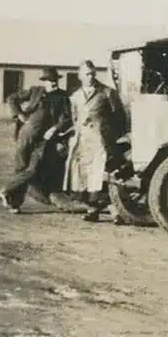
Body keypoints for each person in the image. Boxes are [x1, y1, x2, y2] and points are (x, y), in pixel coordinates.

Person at [0, 67, 72, 213]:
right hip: (26, 134)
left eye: (55, 80)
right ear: (44, 81)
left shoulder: (63, 97)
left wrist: (55, 128)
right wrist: (19, 115)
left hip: (44, 140)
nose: (53, 83)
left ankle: (5, 189)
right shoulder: (35, 91)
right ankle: (14, 204)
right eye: (50, 80)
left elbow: (67, 118)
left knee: (33, 170)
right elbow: (12, 98)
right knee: (20, 168)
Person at [64, 59, 128, 223]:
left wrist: (111, 136)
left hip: (102, 141)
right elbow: (74, 119)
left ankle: (115, 211)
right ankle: (92, 209)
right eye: (86, 74)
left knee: (104, 175)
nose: (90, 77)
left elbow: (120, 118)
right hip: (83, 142)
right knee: (83, 175)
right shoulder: (76, 96)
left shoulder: (107, 93)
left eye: (92, 74)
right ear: (80, 76)